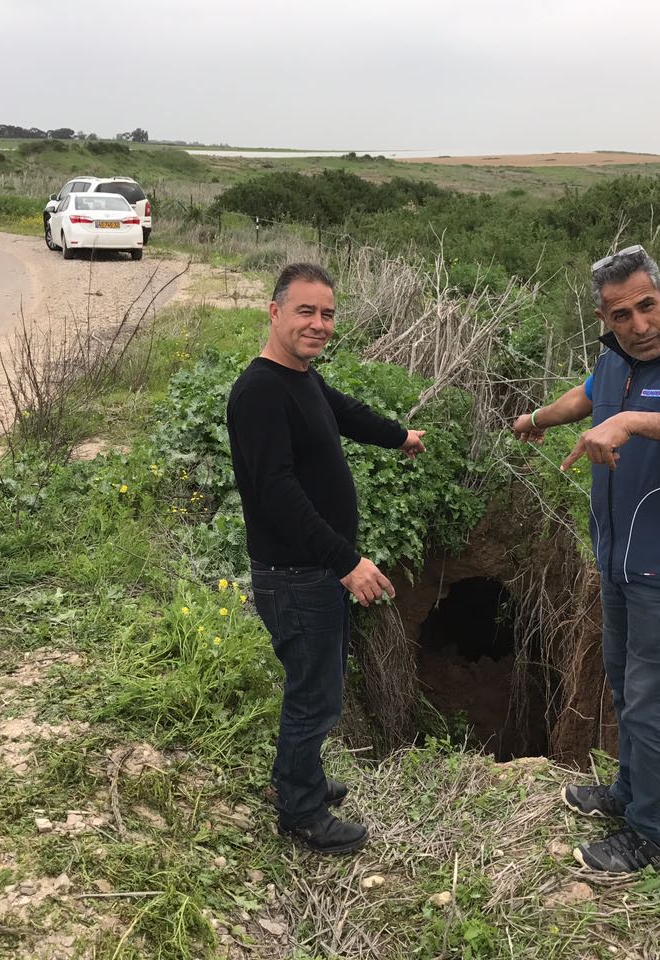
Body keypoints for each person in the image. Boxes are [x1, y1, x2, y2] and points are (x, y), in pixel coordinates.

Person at [512, 244, 660, 875]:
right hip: (621, 559)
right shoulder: (615, 360)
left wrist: (637, 423)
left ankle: (652, 838)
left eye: (647, 305)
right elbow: (588, 395)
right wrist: (537, 418)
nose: (639, 325)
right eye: (621, 315)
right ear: (604, 320)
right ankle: (628, 792)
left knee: (651, 703)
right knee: (623, 683)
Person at [227, 263, 427, 855]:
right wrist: (346, 561)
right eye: (306, 312)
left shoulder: (301, 378)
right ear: (274, 312)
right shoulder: (260, 392)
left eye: (328, 314)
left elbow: (344, 412)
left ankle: (301, 778)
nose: (319, 324)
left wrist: (399, 436)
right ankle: (300, 811)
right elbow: (278, 493)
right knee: (316, 696)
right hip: (297, 575)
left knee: (318, 684)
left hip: (312, 574)